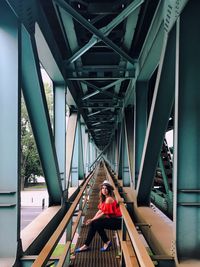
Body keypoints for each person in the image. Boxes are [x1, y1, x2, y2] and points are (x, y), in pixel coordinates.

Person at [75, 180, 122, 253]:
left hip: (118, 222)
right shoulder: (105, 198)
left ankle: (89, 245)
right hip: (113, 219)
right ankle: (91, 244)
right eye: (103, 188)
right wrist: (92, 219)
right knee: (95, 223)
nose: (104, 190)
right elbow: (100, 210)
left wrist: (92, 220)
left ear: (109, 190)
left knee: (96, 223)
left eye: (106, 188)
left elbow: (103, 213)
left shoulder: (109, 199)